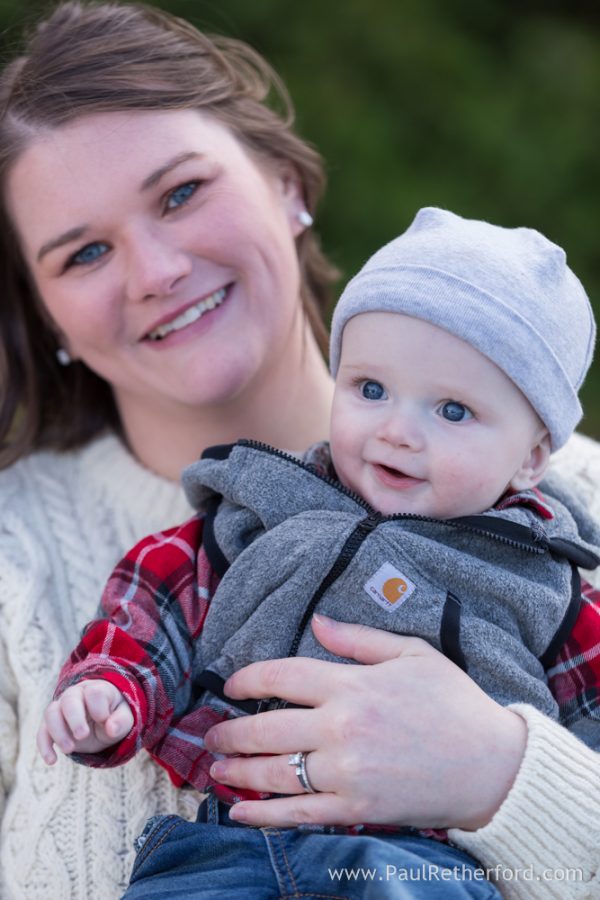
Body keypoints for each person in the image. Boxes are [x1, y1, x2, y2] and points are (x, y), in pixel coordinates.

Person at [0, 1, 595, 897]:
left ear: (287, 183)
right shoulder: (13, 559)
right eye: (84, 253)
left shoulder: (573, 522)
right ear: (46, 315)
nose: (155, 271)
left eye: (181, 192)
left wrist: (505, 778)